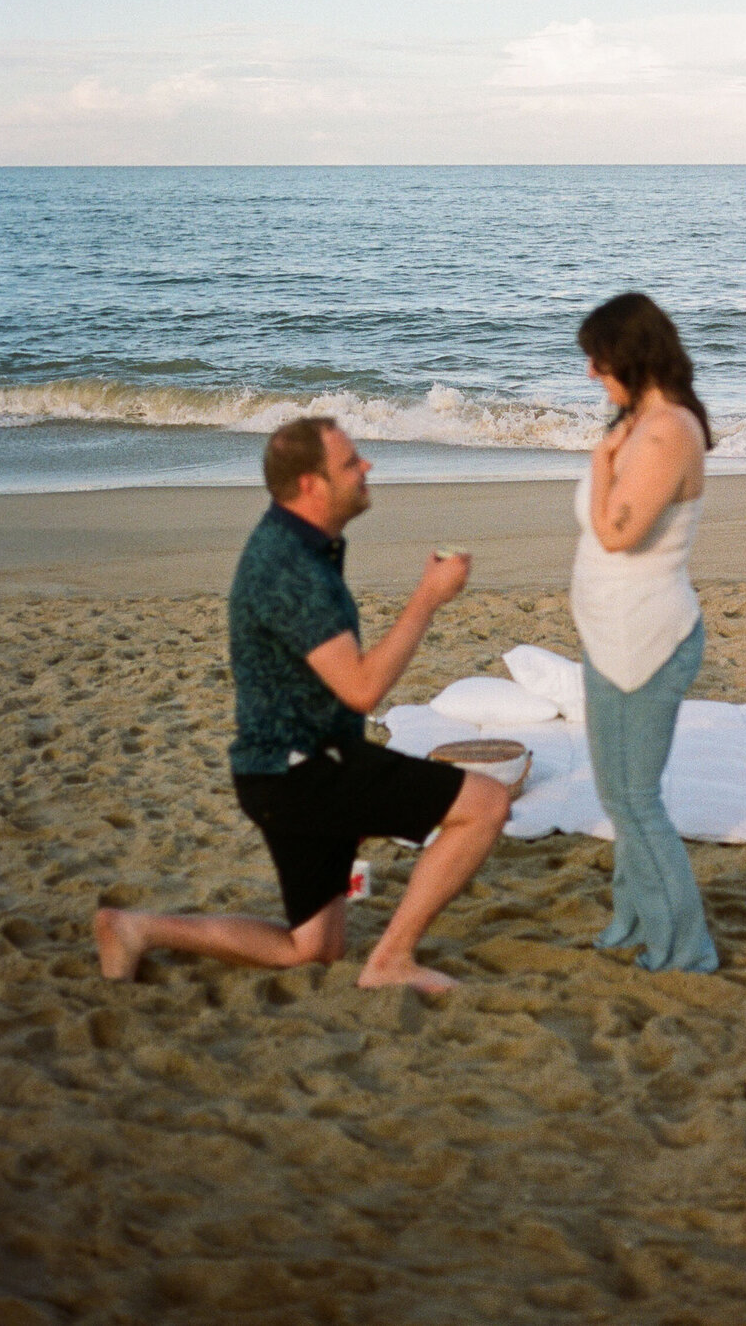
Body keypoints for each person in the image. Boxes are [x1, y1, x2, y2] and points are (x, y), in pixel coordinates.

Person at [94, 416, 510, 994]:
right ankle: (391, 961)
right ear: (312, 485)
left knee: (314, 949)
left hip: (279, 771)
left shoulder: (304, 541)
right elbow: (362, 689)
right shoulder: (289, 567)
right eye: (350, 463)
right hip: (307, 771)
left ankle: (135, 928)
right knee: (485, 804)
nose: (367, 467)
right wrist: (427, 599)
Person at [571, 292, 719, 974]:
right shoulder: (640, 420)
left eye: (598, 363)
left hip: (646, 641)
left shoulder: (666, 434)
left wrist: (601, 467)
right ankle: (633, 918)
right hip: (610, 634)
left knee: (635, 800)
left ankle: (684, 948)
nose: (593, 376)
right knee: (617, 796)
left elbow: (616, 532)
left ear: (628, 356)